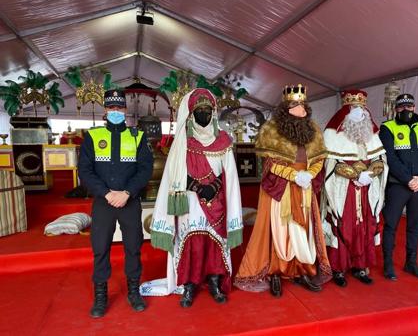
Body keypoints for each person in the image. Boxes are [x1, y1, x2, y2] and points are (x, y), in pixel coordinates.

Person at [140, 88, 243, 308]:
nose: (204, 114)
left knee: (215, 243)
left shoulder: (223, 140)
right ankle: (188, 285)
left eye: (208, 110)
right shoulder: (181, 143)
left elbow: (229, 173)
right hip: (189, 200)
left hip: (216, 201)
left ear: (213, 113)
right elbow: (172, 175)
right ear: (191, 113)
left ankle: (214, 282)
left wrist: (214, 186)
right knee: (192, 243)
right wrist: (196, 186)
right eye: (199, 110)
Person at [234, 84, 331, 297]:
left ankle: (302, 271)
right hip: (282, 188)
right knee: (280, 230)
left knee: (304, 231)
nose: (299, 108)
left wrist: (310, 174)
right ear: (285, 107)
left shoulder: (313, 129)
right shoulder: (272, 130)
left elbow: (319, 159)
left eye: (302, 104)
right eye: (294, 104)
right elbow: (270, 164)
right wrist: (293, 175)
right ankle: (276, 272)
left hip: (305, 188)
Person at [78, 89, 153, 318]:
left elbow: (145, 169)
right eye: (111, 108)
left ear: (125, 110)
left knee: (133, 247)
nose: (116, 111)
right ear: (105, 110)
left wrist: (128, 192)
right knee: (100, 249)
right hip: (104, 202)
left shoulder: (137, 136)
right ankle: (101, 296)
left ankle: (133, 291)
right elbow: (85, 170)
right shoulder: (92, 136)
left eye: (119, 108)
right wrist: (107, 194)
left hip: (130, 202)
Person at [321, 90, 387, 287]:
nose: (359, 113)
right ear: (346, 113)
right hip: (344, 189)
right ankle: (338, 268)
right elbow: (331, 164)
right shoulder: (333, 134)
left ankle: (360, 266)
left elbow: (380, 159)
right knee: (343, 224)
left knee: (364, 226)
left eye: (362, 109)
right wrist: (356, 175)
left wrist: (371, 174)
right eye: (354, 109)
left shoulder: (372, 134)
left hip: (367, 188)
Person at [380, 93, 418, 281]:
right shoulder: (387, 128)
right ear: (396, 109)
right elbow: (390, 157)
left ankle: (411, 263)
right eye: (401, 107)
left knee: (415, 226)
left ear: (414, 107)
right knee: (391, 225)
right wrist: (409, 179)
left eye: (409, 106)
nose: (405, 110)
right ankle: (388, 264)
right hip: (398, 185)